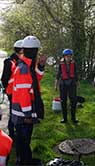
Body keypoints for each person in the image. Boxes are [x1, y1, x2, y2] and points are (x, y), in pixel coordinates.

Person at [11, 35, 46, 165]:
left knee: (24, 141)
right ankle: (24, 162)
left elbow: (36, 79)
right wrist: (27, 115)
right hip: (22, 115)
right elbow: (23, 95)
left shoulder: (28, 65)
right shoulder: (24, 68)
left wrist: (41, 66)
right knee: (23, 141)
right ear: (34, 52)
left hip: (23, 114)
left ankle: (25, 160)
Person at [1, 40, 23, 141]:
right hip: (12, 92)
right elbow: (4, 78)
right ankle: (12, 134)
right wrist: (6, 89)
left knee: (16, 112)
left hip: (17, 92)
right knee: (13, 112)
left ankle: (15, 132)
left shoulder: (18, 61)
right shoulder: (9, 62)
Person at [55, 49, 78, 123]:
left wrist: (78, 84)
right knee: (63, 101)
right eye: (67, 56)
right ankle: (64, 118)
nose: (68, 58)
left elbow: (76, 74)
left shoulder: (73, 63)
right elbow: (58, 75)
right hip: (63, 84)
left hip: (72, 84)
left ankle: (73, 118)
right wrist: (56, 85)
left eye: (70, 56)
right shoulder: (61, 64)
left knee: (73, 101)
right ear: (64, 56)